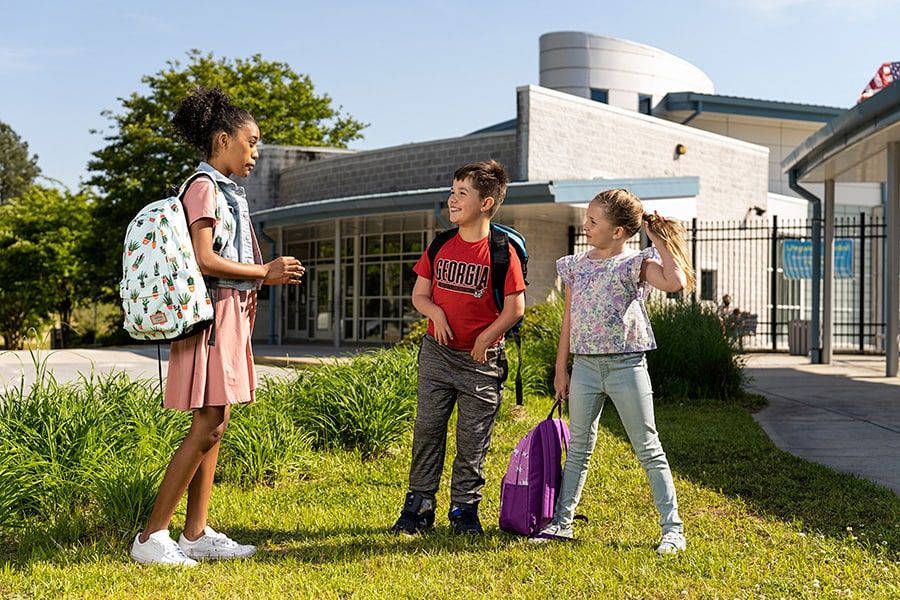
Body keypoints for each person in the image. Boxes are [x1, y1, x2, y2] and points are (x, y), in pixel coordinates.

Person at [129, 87, 305, 566]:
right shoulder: (203, 187)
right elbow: (205, 259)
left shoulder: (226, 191)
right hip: (209, 316)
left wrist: (260, 276)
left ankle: (195, 533)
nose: (256, 152)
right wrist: (264, 273)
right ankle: (151, 538)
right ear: (223, 139)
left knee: (217, 422)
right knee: (207, 420)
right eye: (251, 142)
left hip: (228, 314)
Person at [530, 189, 695, 554]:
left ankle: (673, 529)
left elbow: (676, 282)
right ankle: (562, 522)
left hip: (627, 366)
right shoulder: (574, 265)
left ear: (618, 231)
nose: (585, 226)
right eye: (586, 219)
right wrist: (562, 369)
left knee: (648, 448)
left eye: (593, 222)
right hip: (585, 367)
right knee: (578, 450)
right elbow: (568, 320)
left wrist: (660, 240)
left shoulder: (636, 264)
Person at [391, 160, 526, 536]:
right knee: (428, 430)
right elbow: (420, 294)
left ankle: (464, 510)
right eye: (452, 192)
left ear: (485, 203)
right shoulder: (440, 245)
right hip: (437, 354)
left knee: (472, 439)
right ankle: (419, 507)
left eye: (461, 194)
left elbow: (516, 307)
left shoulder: (501, 251)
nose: (452, 200)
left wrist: (486, 337)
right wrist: (435, 313)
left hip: (482, 362)